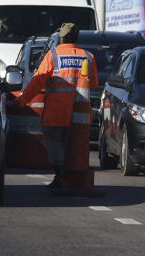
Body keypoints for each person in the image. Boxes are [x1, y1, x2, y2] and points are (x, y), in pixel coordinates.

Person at [16, 22, 98, 191]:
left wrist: (21, 101)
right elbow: (94, 84)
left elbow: (37, 82)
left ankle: (60, 174)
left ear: (61, 37)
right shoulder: (88, 56)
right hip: (80, 116)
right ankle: (72, 176)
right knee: (74, 144)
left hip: (56, 113)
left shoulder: (53, 55)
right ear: (77, 37)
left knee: (54, 142)